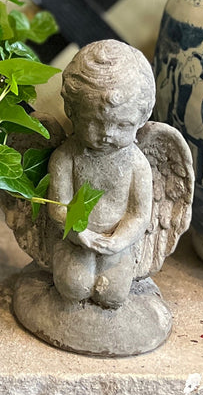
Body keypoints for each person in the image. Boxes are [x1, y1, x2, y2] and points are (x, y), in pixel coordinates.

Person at [47, 40, 154, 309]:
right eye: (94, 122)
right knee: (73, 287)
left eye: (122, 125)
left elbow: (139, 214)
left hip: (117, 245)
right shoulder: (66, 157)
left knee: (113, 294)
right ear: (72, 112)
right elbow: (58, 206)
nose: (107, 134)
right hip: (75, 240)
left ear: (142, 118)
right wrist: (78, 233)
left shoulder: (136, 164)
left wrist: (119, 240)